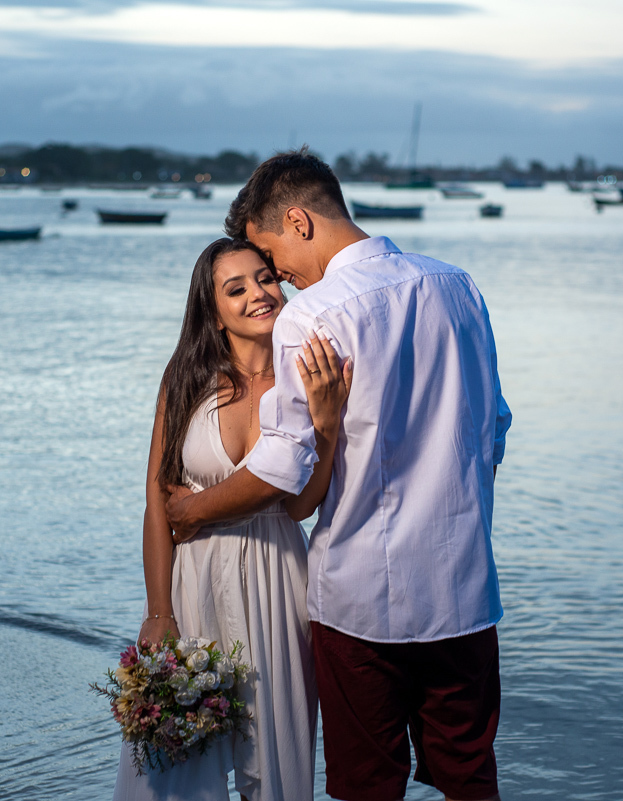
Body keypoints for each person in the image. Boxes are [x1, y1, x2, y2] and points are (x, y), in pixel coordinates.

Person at [165, 149, 512, 801]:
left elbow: (282, 467)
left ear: (298, 220)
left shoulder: (314, 314)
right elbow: (494, 427)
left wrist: (195, 510)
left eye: (273, 255)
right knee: (470, 777)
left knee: (366, 786)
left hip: (362, 599)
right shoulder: (459, 285)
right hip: (463, 590)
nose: (281, 277)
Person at [113, 237, 351, 801]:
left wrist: (327, 426)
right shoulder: (185, 382)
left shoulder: (303, 378)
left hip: (278, 580)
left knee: (275, 765)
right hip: (194, 579)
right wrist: (158, 611)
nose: (258, 294)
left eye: (265, 278)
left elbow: (298, 506)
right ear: (213, 313)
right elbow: (157, 502)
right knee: (175, 757)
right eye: (235, 288)